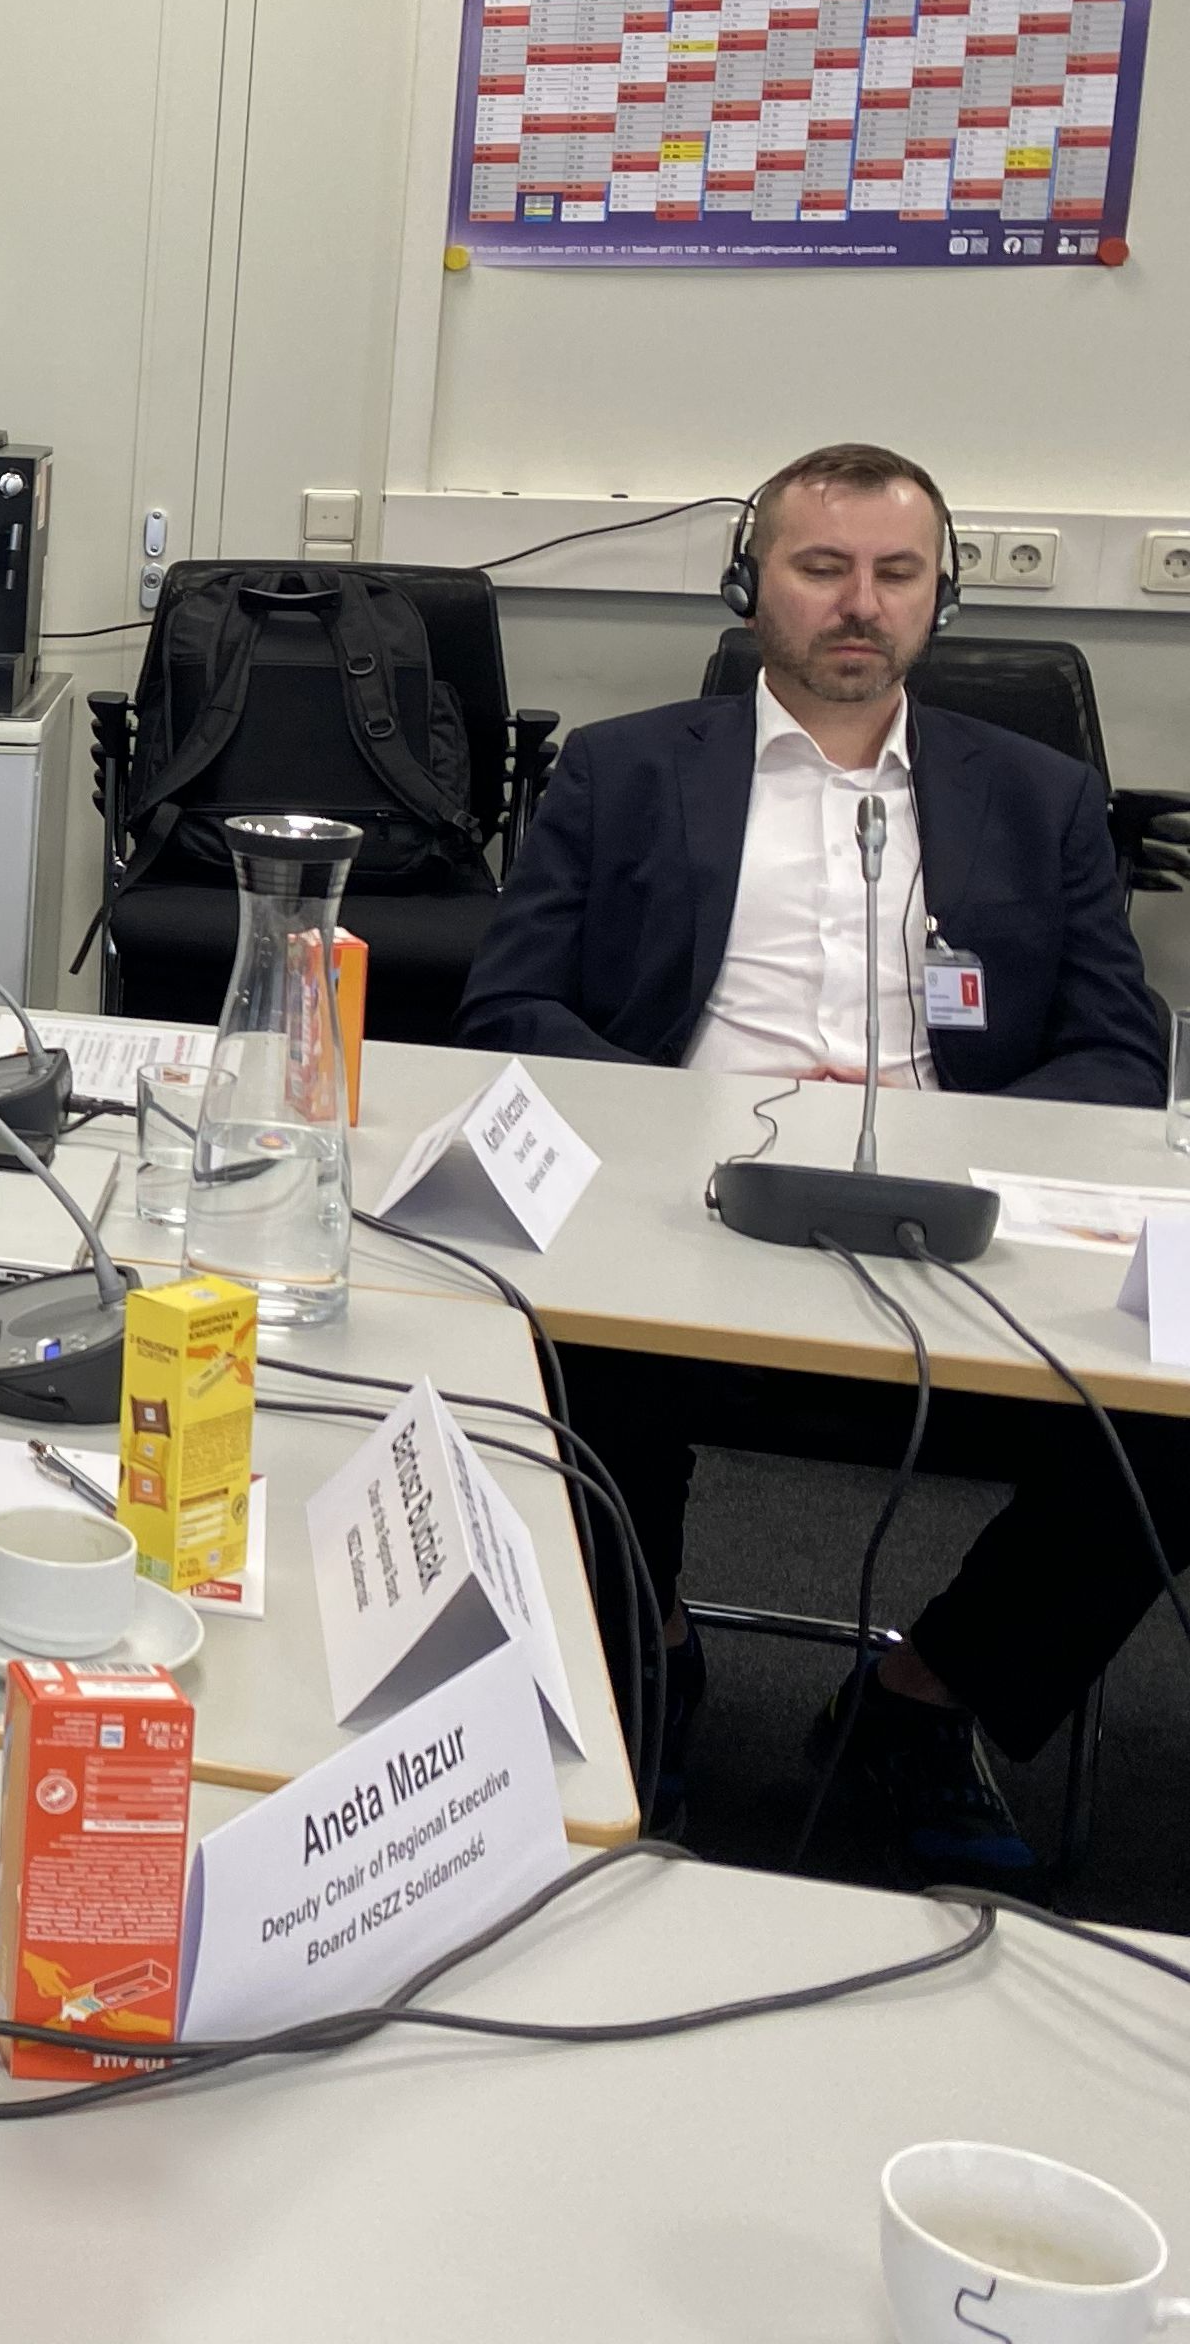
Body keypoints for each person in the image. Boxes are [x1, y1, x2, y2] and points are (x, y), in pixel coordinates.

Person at [458, 442, 1183, 1882]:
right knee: (525, 1350)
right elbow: (510, 1008)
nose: (861, 603)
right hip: (686, 1219)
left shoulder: (1039, 797)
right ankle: (649, 1653)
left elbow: (1119, 1052)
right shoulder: (623, 770)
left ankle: (923, 1697)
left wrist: (952, 1147)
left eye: (896, 573)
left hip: (956, 1238)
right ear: (751, 588)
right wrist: (695, 1122)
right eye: (823, 567)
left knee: (1172, 1427)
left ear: (940, 595)